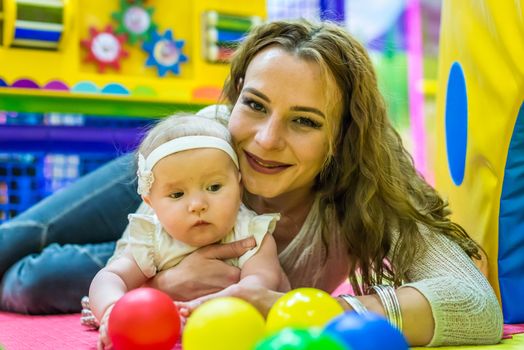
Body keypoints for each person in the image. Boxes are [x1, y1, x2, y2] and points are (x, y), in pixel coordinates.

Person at [0, 19, 503, 347]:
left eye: (304, 121)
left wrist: (301, 309)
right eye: (255, 105)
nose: (264, 140)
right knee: (23, 237)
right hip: (180, 179)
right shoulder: (211, 140)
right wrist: (156, 283)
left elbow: (474, 304)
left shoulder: (370, 180)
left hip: (178, 257)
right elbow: (125, 274)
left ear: (343, 138)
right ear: (236, 95)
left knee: (32, 280)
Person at [88, 114, 287, 349]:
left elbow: (259, 285)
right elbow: (110, 277)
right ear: (151, 203)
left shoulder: (251, 234)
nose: (197, 205)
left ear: (239, 185)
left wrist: (217, 300)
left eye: (214, 187)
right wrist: (113, 310)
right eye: (177, 194)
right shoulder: (153, 240)